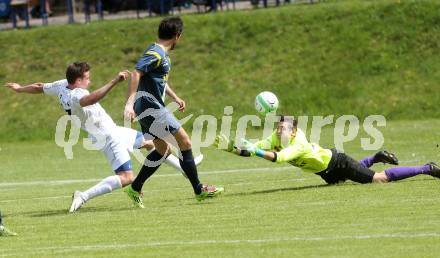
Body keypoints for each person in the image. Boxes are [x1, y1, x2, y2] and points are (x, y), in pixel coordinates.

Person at [4, 62, 203, 212]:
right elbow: (92, 98)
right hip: (108, 137)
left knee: (154, 144)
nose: (89, 80)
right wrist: (114, 81)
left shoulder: (62, 85)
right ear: (79, 80)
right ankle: (84, 195)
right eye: (87, 77)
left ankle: (185, 169)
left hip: (112, 130)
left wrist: (20, 88)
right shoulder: (76, 95)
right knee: (127, 177)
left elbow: (40, 86)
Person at [124, 16, 223, 208]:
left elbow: (159, 80)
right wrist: (129, 103)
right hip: (149, 105)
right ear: (177, 36)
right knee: (185, 141)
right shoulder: (156, 53)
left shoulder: (160, 54)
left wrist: (175, 97)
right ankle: (199, 189)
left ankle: (135, 187)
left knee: (162, 150)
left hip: (147, 105)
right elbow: (136, 73)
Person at [216, 115, 440, 185]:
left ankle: (426, 168)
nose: (279, 130)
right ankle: (376, 156)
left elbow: (278, 159)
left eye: (283, 127)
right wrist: (231, 148)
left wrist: (254, 151)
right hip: (326, 172)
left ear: (293, 131)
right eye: (278, 127)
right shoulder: (274, 137)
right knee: (345, 179)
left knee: (377, 180)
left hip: (336, 161)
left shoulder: (298, 143)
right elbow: (252, 149)